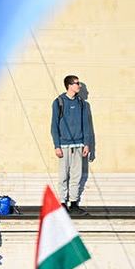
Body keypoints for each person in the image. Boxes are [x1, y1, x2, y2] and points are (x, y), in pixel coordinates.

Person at [51, 74, 95, 214]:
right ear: (69, 85)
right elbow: (54, 126)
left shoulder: (82, 103)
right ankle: (62, 203)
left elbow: (86, 125)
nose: (79, 86)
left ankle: (74, 203)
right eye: (77, 83)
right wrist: (56, 145)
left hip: (79, 144)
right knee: (63, 175)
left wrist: (87, 144)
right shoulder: (58, 102)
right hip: (64, 146)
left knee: (76, 175)